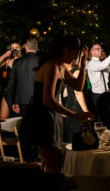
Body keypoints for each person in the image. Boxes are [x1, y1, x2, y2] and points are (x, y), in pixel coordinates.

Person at [22, 34, 94, 174]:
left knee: (54, 163)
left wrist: (84, 63)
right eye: (74, 53)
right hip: (42, 118)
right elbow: (48, 100)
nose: (75, 57)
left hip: (51, 117)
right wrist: (74, 114)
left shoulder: (61, 67)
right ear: (66, 50)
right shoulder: (52, 67)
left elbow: (78, 86)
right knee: (54, 165)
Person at [85, 41, 110, 130]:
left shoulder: (102, 63)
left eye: (100, 49)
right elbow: (101, 65)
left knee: (108, 119)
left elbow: (107, 67)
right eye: (97, 49)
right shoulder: (91, 64)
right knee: (101, 120)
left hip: (107, 94)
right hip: (98, 96)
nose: (100, 50)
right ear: (92, 51)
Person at [5, 38, 40, 118]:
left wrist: (14, 101)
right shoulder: (41, 61)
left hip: (21, 100)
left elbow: (13, 82)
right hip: (37, 100)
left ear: (26, 48)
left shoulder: (17, 62)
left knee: (24, 123)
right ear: (36, 48)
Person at [0, 43, 20, 119]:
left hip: (19, 93)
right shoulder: (7, 60)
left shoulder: (23, 60)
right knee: (3, 120)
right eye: (12, 48)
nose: (14, 50)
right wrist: (5, 55)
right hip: (8, 93)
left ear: (20, 49)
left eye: (16, 48)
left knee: (18, 120)